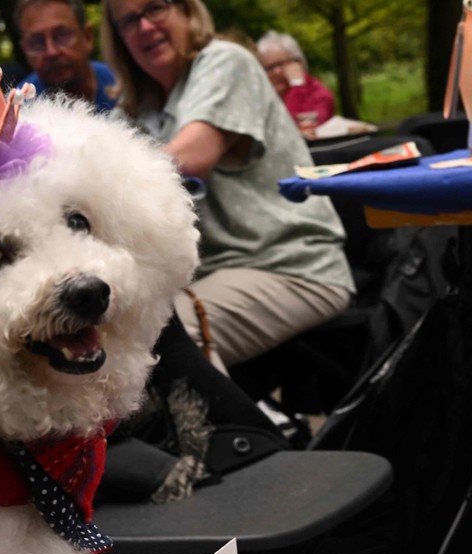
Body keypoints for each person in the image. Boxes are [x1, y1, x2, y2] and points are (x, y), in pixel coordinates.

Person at [101, 0, 353, 369]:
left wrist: (97, 181)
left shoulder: (225, 62)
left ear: (187, 10)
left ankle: (237, 430)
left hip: (291, 265)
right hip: (213, 274)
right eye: (128, 21)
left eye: (155, 8)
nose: (145, 27)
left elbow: (192, 155)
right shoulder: (136, 107)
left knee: (162, 335)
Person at [15, 0, 117, 112]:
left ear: (87, 37)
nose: (51, 52)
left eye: (62, 35)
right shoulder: (17, 110)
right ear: (25, 50)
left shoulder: (125, 87)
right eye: (36, 42)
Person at [255, 31, 335, 134]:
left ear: (298, 63)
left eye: (281, 64)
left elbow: (298, 128)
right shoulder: (261, 96)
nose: (277, 72)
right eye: (269, 68)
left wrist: (297, 86)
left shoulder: (320, 94)